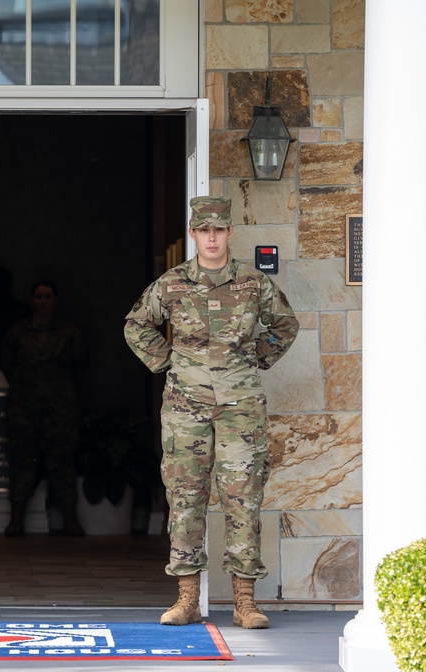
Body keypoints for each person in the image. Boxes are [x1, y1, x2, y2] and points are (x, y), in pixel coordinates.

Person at [123, 196, 298, 630]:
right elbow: (135, 324)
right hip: (185, 408)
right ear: (194, 233)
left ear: (230, 233)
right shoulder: (172, 283)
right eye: (205, 230)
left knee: (243, 500)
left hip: (240, 408)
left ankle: (244, 601)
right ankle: (187, 600)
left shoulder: (254, 284)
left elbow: (285, 325)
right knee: (186, 499)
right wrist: (166, 362)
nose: (213, 237)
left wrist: (255, 358)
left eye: (220, 229)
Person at [0, 280, 88, 537]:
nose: (43, 301)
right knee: (22, 463)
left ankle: (70, 520)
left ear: (55, 300)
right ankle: (16, 521)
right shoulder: (17, 331)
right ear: (32, 300)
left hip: (60, 407)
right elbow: (8, 365)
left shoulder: (69, 331)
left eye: (48, 296)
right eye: (38, 297)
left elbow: (80, 363)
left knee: (62, 464)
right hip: (24, 408)